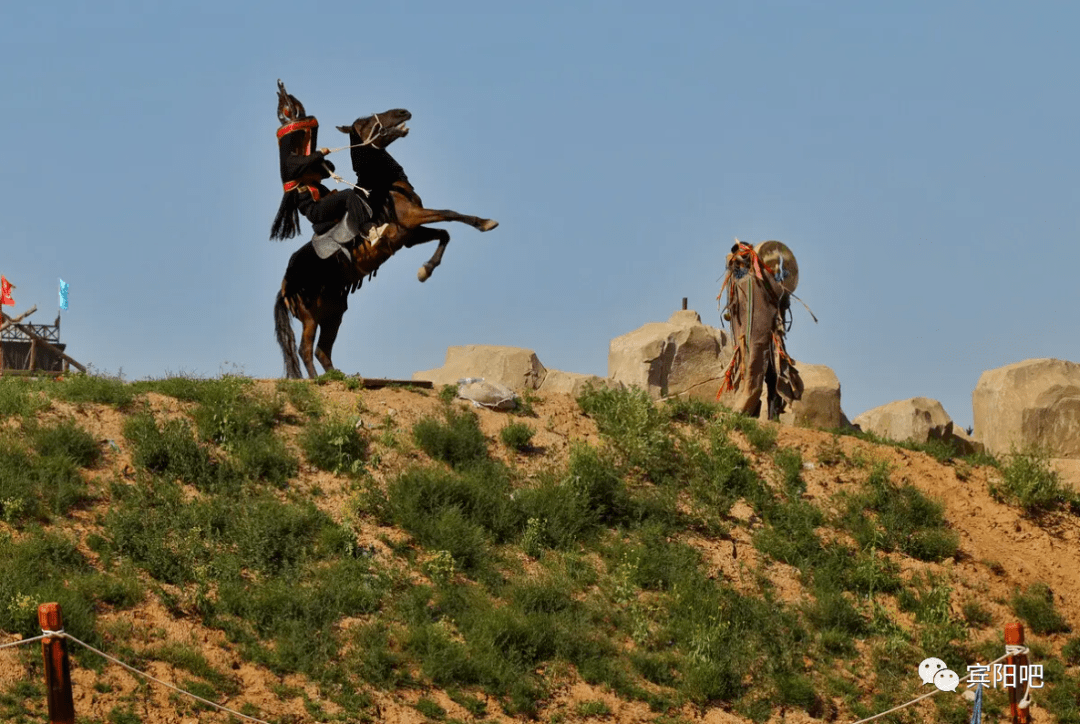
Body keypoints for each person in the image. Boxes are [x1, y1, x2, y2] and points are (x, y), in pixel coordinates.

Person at [269, 80, 374, 245]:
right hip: (316, 211)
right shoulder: (291, 168)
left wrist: (321, 161)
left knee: (356, 194)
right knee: (348, 195)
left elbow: (327, 169)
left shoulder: (302, 168)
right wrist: (318, 154)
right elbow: (299, 164)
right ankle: (368, 230)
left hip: (322, 203)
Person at [717, 239, 804, 420]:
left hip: (769, 336)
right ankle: (753, 414)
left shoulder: (763, 280)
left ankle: (772, 416)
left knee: (772, 375)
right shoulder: (741, 282)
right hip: (747, 338)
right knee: (752, 372)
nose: (736, 266)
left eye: (741, 261)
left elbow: (783, 296)